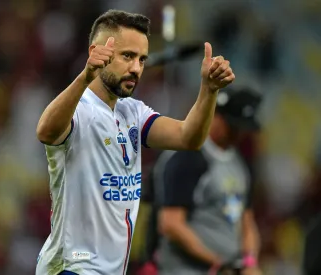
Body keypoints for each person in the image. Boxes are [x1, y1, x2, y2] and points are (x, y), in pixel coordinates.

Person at [35, 9, 235, 275]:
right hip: (72, 267)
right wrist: (85, 76)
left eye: (142, 59)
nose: (136, 68)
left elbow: (189, 137)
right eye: (127, 56)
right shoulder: (79, 109)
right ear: (97, 51)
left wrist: (208, 91)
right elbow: (46, 132)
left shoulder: (133, 112)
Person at [151, 87, 263, 275]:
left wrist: (249, 262)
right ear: (215, 116)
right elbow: (170, 223)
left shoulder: (240, 164)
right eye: (232, 126)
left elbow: (247, 221)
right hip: (185, 269)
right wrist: (219, 263)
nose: (237, 133)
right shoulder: (188, 157)